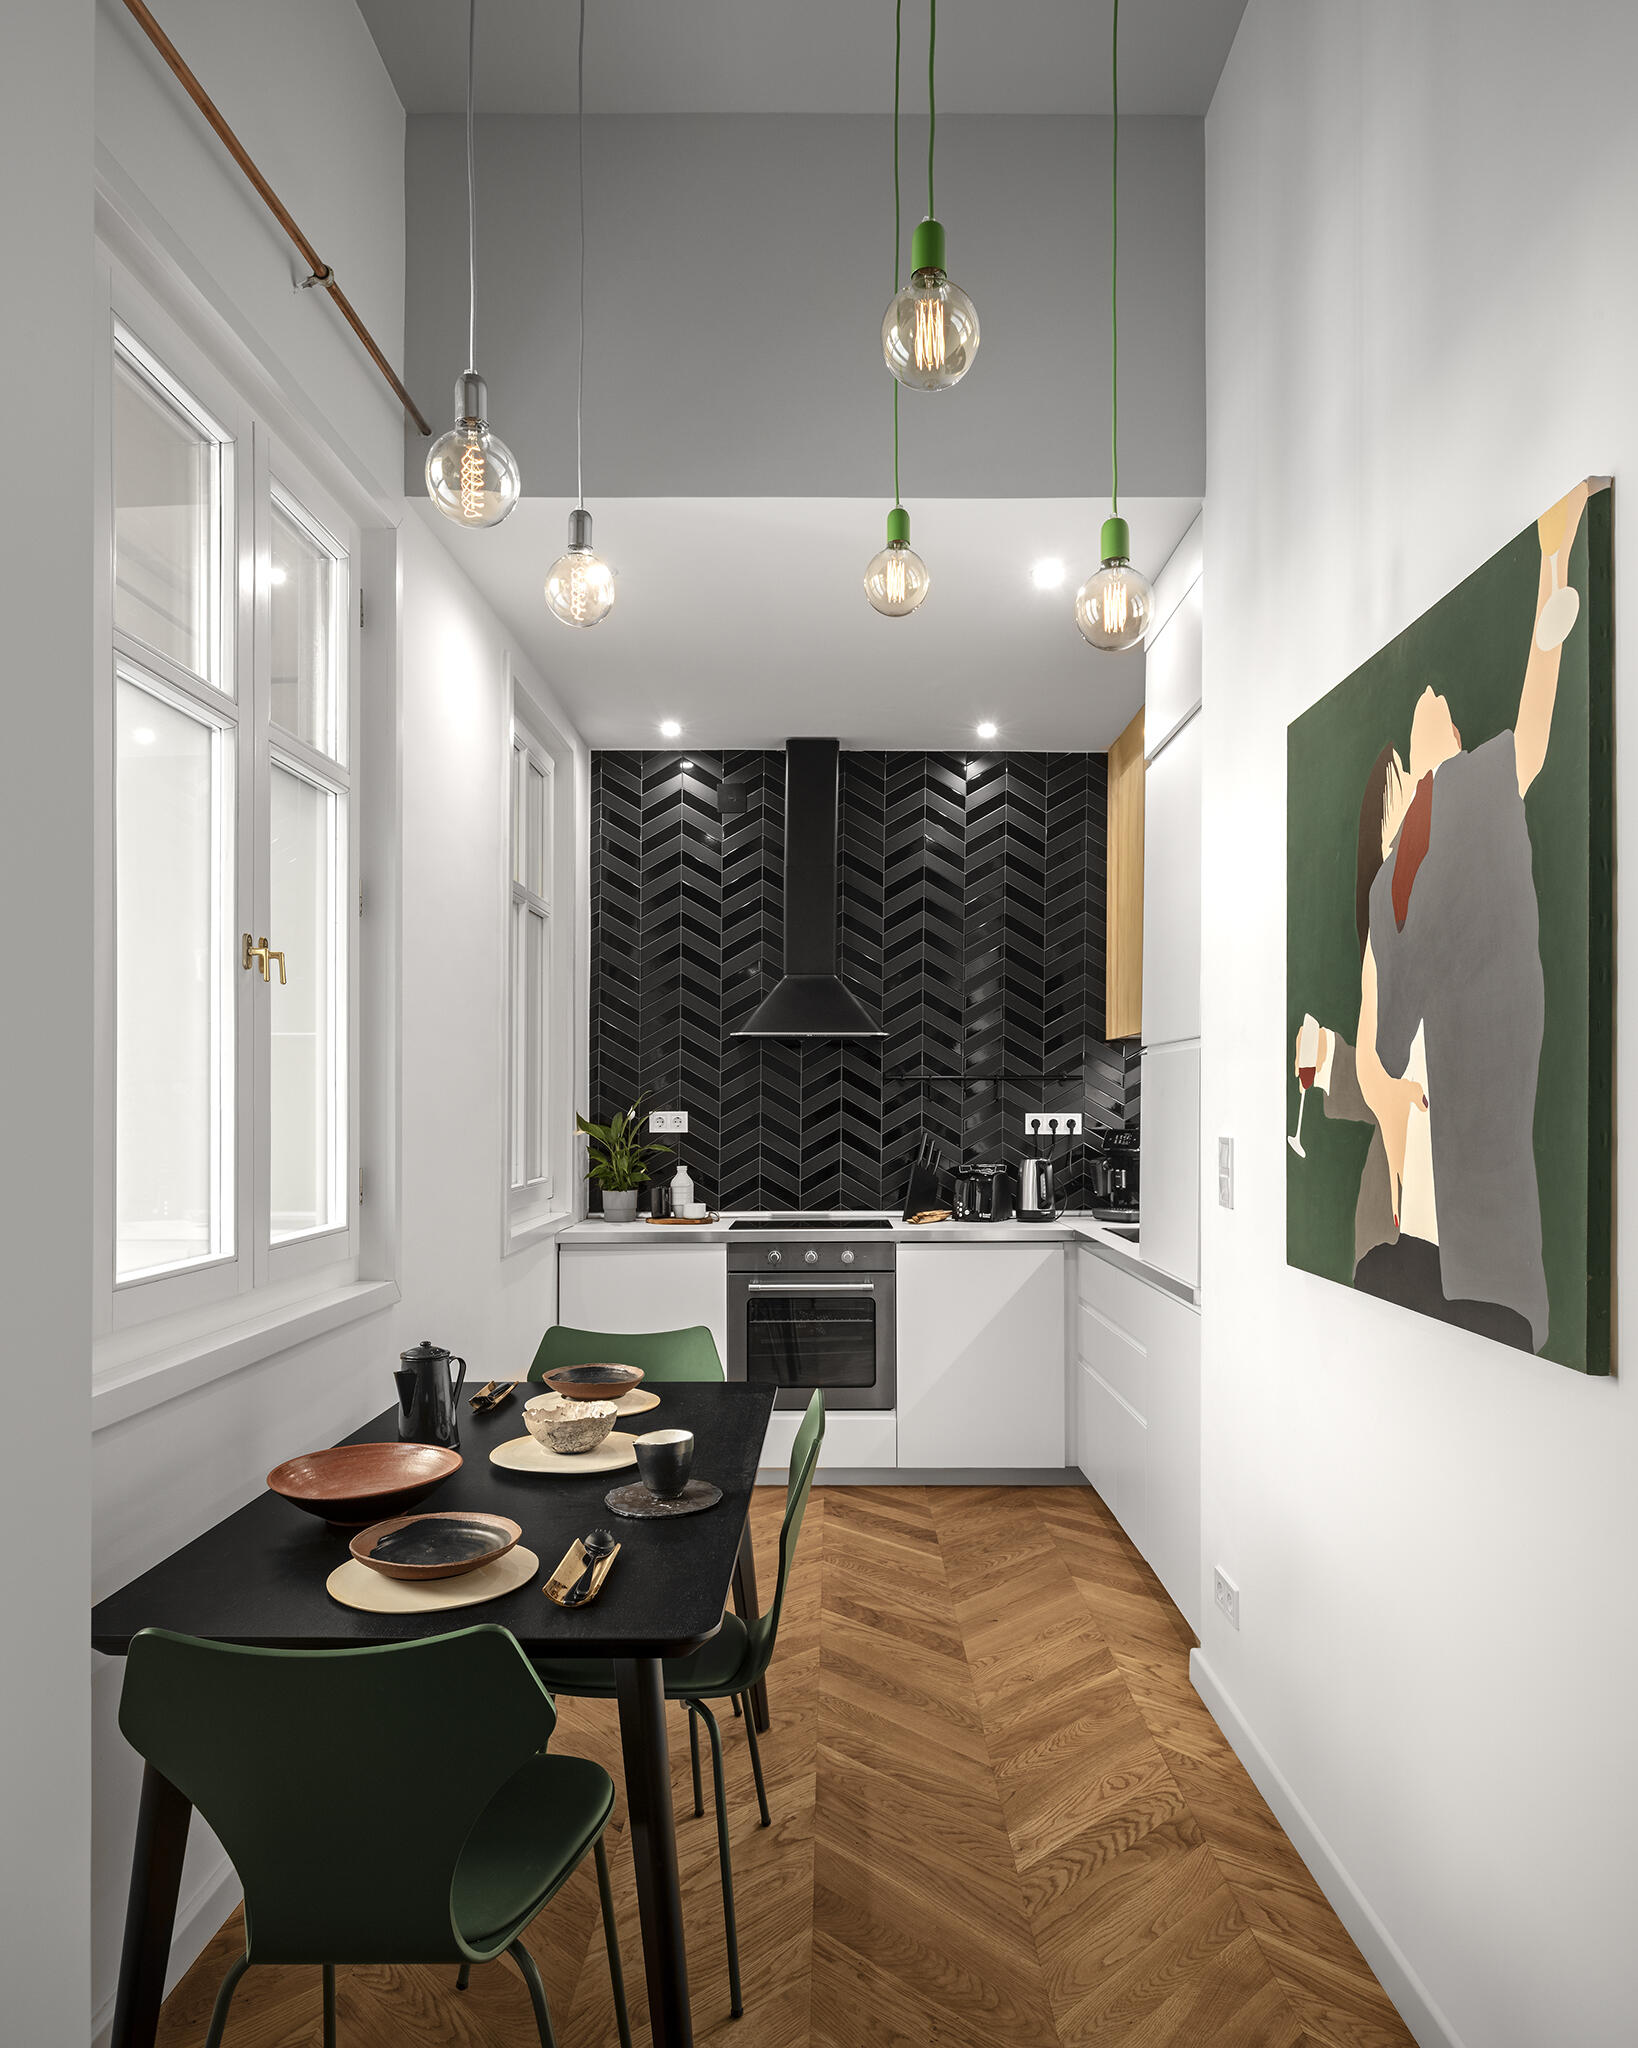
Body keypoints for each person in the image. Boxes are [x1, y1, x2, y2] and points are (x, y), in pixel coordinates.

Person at [1349, 481, 1589, 1352]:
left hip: (1468, 1242)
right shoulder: (1395, 888)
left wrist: (1552, 561)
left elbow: (1531, 726)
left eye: (1441, 715)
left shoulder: (1470, 804)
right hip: (1429, 1236)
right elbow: (1381, 1052)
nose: (1437, 707)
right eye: (1432, 720)